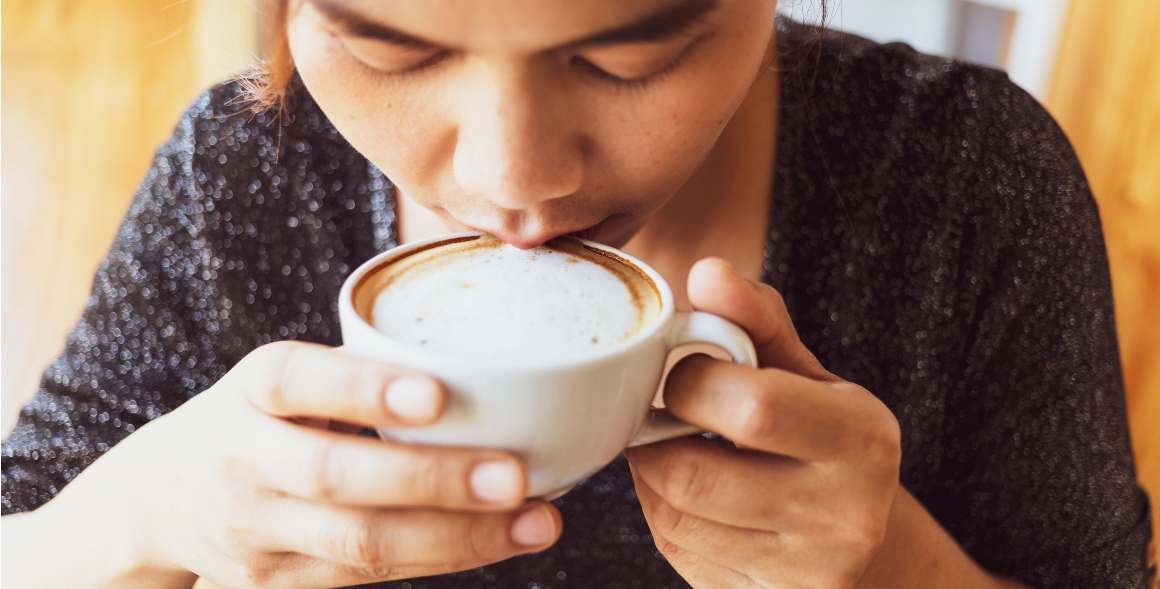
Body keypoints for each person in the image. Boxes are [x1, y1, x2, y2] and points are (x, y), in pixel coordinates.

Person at [2, 0, 1154, 587]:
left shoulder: (966, 185)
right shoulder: (237, 179)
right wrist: (140, 514)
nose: (514, 178)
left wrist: (891, 566)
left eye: (627, 59)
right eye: (394, 51)